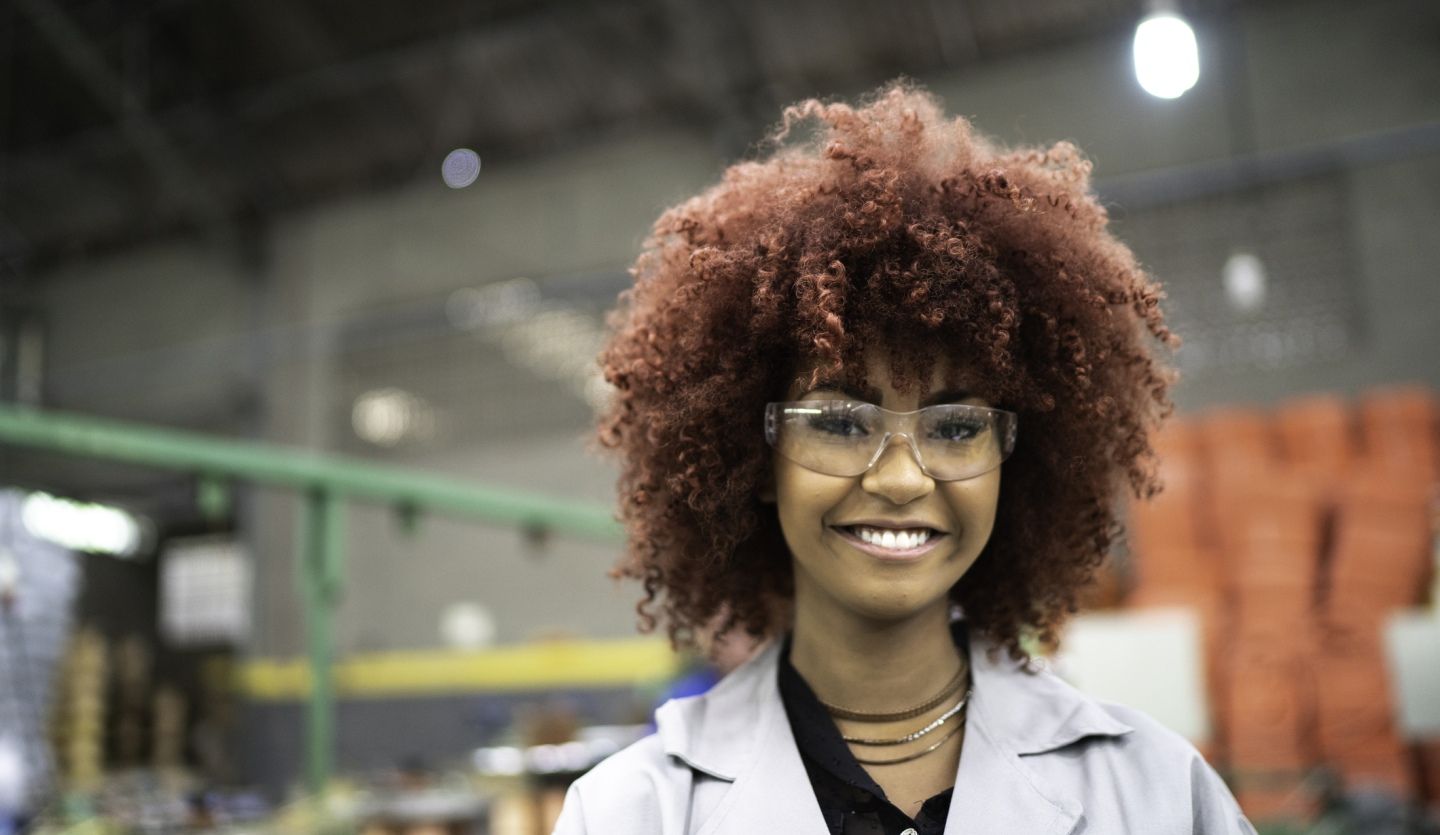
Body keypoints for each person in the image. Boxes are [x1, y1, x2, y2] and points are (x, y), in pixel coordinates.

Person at [555, 82, 1256, 834]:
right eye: (838, 422)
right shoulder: (630, 813)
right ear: (755, 458)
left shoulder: (1158, 794)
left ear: (1013, 460)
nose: (899, 477)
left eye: (955, 427)